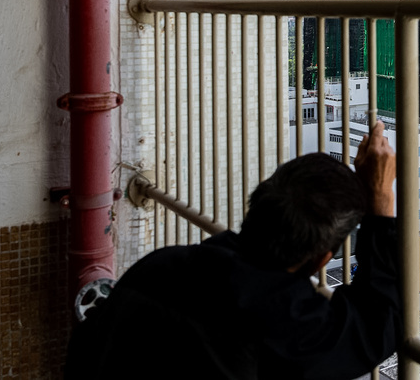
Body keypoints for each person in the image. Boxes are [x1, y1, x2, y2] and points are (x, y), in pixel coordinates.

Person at [65, 121, 400, 379]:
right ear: (321, 258)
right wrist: (381, 202)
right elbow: (380, 322)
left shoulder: (162, 266)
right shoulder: (283, 324)